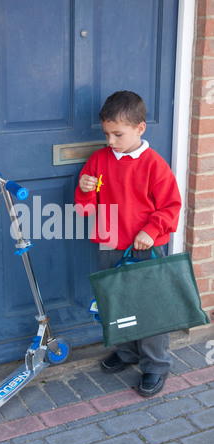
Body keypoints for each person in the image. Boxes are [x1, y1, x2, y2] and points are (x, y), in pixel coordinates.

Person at [75, 91, 182, 397]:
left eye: (118, 134)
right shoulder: (98, 161)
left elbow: (171, 207)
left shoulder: (154, 166)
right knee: (116, 302)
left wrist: (152, 229)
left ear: (140, 129)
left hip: (145, 247)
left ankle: (155, 364)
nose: (111, 141)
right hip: (110, 243)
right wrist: (84, 190)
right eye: (107, 134)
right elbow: (85, 209)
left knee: (149, 308)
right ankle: (126, 352)